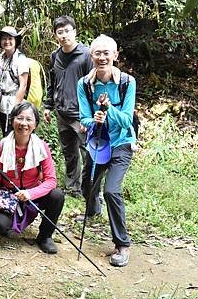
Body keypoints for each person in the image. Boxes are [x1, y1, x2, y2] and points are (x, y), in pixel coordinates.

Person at [77, 34, 136, 267]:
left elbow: (125, 121)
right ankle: (92, 210)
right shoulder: (85, 84)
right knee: (88, 184)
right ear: (91, 56)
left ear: (115, 55)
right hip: (98, 142)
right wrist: (94, 120)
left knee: (111, 190)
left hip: (121, 142)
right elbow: (83, 119)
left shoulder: (126, 83)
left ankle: (122, 244)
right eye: (97, 53)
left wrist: (109, 109)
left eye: (106, 53)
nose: (102, 57)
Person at [0, 101, 65, 253]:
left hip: (33, 193)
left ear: (35, 124)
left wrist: (30, 193)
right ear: (12, 120)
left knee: (57, 195)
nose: (23, 123)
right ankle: (11, 220)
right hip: (8, 194)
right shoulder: (0, 147)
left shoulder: (42, 147)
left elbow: (51, 180)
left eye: (29, 119)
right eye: (19, 118)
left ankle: (45, 236)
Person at [43, 15, 93, 197]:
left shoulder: (86, 55)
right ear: (56, 35)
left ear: (74, 31)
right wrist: (48, 105)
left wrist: (91, 113)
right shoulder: (55, 56)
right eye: (59, 32)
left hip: (81, 114)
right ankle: (73, 187)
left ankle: (91, 188)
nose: (64, 35)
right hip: (61, 112)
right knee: (69, 152)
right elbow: (52, 81)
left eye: (67, 31)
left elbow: (93, 85)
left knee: (87, 151)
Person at [0, 26, 43, 136]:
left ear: (15, 41)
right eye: (4, 39)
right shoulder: (2, 59)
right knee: (6, 134)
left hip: (15, 103)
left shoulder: (20, 59)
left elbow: (23, 85)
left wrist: (16, 109)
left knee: (17, 135)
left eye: (10, 39)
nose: (7, 41)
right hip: (3, 104)